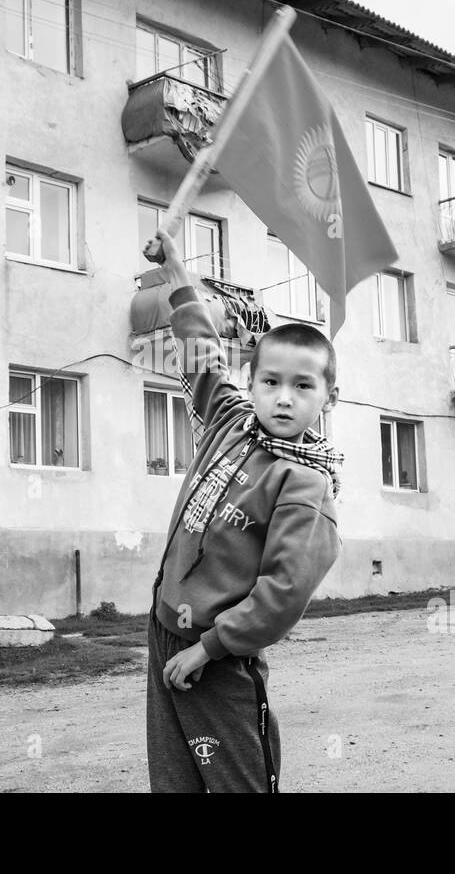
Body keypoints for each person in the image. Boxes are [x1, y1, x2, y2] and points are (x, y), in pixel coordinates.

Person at [142, 229, 344, 793]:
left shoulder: (306, 485)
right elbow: (201, 347)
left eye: (303, 386)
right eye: (271, 382)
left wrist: (209, 649)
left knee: (237, 782)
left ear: (327, 396)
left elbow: (282, 593)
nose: (284, 397)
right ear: (251, 383)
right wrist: (177, 271)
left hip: (220, 658)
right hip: (165, 630)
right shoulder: (231, 423)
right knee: (174, 778)